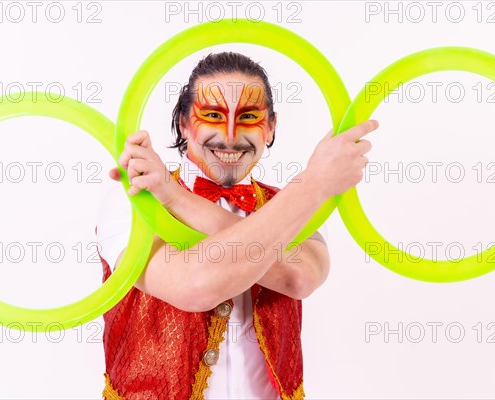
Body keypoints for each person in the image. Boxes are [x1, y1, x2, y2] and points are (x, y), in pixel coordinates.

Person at [96, 52, 378, 399]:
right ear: (184, 123)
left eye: (248, 117)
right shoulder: (134, 199)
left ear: (271, 126)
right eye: (212, 116)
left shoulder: (291, 204)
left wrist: (178, 199)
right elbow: (194, 286)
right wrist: (315, 182)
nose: (230, 136)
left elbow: (299, 277)